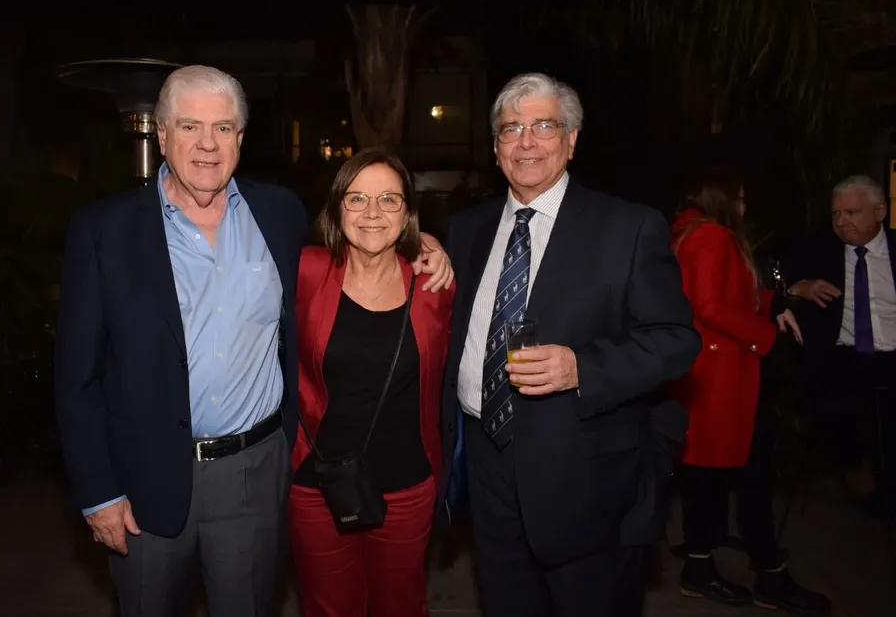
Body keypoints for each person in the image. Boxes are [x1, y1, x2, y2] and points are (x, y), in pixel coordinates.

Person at [53, 65, 452, 617]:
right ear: (161, 135)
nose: (207, 145)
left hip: (255, 472)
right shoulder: (104, 229)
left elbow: (358, 242)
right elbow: (76, 377)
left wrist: (423, 242)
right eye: (190, 126)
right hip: (144, 476)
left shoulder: (278, 213)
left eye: (223, 128)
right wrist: (98, 491)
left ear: (241, 139)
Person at [437, 72, 701, 617]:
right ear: (494, 146)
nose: (526, 141)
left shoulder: (627, 227)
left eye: (543, 126)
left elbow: (676, 341)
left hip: (587, 479)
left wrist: (584, 366)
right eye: (511, 129)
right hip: (487, 466)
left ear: (572, 139)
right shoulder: (467, 229)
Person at [288, 148, 456, 617]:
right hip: (317, 485)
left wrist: (433, 245)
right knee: (327, 609)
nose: (372, 213)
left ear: (407, 213)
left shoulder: (434, 286)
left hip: (405, 487)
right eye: (357, 198)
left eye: (389, 199)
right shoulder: (305, 271)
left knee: (400, 607)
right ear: (337, 207)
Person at [668, 166, 830, 614]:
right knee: (740, 472)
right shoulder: (711, 236)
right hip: (720, 374)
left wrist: (772, 303)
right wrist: (767, 338)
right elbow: (711, 305)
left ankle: (715, 568)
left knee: (715, 472)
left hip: (713, 372)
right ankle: (761, 575)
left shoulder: (693, 232)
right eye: (738, 197)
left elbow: (730, 295)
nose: (744, 205)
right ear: (720, 197)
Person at [786, 174, 896, 514]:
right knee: (836, 401)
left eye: (852, 212)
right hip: (843, 356)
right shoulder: (815, 251)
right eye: (836, 213)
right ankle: (856, 469)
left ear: (880, 211)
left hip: (893, 354)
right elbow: (773, 286)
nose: (841, 222)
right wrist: (798, 287)